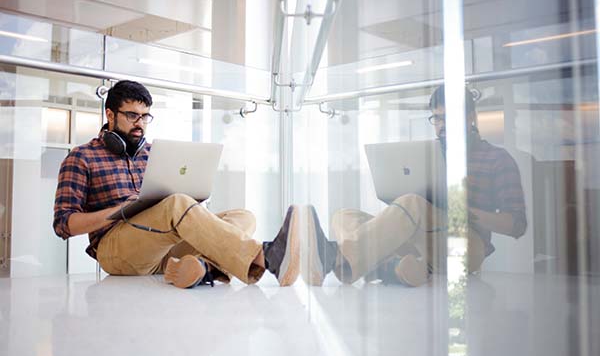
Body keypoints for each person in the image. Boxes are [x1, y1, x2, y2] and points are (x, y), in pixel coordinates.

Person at [53, 80, 300, 289]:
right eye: (131, 116)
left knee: (244, 216)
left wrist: (192, 203)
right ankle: (266, 256)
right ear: (110, 114)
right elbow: (63, 225)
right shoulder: (81, 157)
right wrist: (116, 213)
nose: (140, 123)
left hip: (162, 247)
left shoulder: (155, 154)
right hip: (116, 249)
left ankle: (204, 269)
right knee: (176, 204)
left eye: (145, 116)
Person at [301, 86, 527, 287]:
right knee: (344, 215)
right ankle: (397, 269)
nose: (442, 125)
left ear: (470, 118)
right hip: (421, 242)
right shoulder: (428, 154)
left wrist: (466, 212)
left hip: (468, 248)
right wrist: (398, 202)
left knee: (412, 203)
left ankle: (336, 256)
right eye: (437, 118)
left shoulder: (497, 158)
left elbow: (516, 225)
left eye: (449, 117)